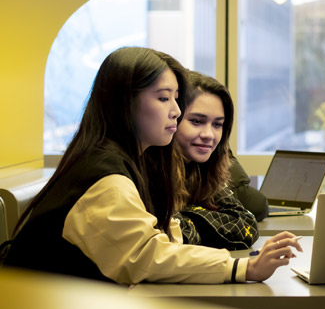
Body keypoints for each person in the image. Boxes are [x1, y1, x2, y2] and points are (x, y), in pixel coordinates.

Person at [1, 47, 300, 284]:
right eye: (163, 98)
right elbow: (146, 255)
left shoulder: (123, 159)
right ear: (125, 103)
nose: (176, 111)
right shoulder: (105, 174)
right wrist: (243, 268)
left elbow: (163, 235)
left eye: (177, 99)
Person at [173, 71, 268, 250]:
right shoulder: (148, 171)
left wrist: (187, 217)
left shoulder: (202, 169)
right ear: (172, 119)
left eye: (217, 124)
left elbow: (246, 226)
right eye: (196, 121)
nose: (209, 135)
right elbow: (165, 233)